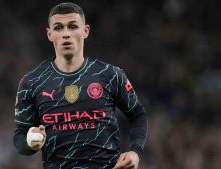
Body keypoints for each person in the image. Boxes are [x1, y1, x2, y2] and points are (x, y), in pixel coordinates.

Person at [13, 2, 148, 169]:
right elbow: (19, 137)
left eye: (72, 26)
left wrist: (135, 152)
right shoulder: (32, 82)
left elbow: (138, 115)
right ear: (49, 34)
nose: (66, 34)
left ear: (85, 31)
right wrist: (30, 143)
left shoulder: (110, 75)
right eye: (58, 28)